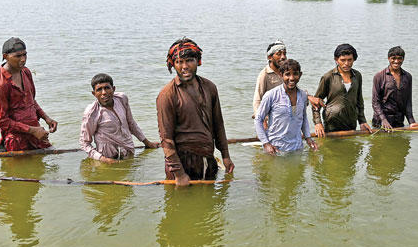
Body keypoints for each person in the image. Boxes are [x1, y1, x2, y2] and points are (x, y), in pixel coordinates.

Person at [156, 38, 234, 187]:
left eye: (189, 61)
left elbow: (218, 124)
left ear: (198, 61)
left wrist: (225, 156)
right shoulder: (167, 95)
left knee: (209, 200)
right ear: (173, 64)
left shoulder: (210, 87)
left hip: (207, 159)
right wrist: (179, 173)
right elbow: (166, 139)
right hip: (181, 163)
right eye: (179, 62)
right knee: (179, 201)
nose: (184, 66)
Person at [0, 37, 57, 151]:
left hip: (36, 132)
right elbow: (2, 121)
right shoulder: (0, 85)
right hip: (16, 139)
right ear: (5, 56)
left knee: (51, 157)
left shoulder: (25, 72)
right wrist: (32, 130)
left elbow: (31, 100)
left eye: (25, 55)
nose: (23, 59)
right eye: (18, 56)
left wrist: (46, 118)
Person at [79, 73, 159, 163]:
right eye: (99, 89)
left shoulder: (122, 99)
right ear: (94, 94)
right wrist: (103, 159)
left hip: (128, 151)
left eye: (107, 88)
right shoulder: (91, 113)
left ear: (113, 89)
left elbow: (131, 123)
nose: (104, 92)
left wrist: (148, 143)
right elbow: (84, 143)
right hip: (108, 157)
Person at [254, 59, 318, 155]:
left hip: (297, 147)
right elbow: (258, 119)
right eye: (287, 74)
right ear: (281, 75)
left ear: (300, 75)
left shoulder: (303, 96)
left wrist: (308, 138)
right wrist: (266, 143)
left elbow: (303, 118)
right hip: (275, 149)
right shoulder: (271, 95)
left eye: (295, 74)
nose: (291, 78)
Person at [312, 43, 371, 137]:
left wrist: (362, 121)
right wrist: (318, 123)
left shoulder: (357, 76)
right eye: (343, 60)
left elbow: (359, 100)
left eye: (349, 60)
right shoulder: (328, 77)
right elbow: (316, 101)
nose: (346, 63)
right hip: (331, 123)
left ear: (354, 59)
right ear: (336, 60)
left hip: (351, 122)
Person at [371, 46, 418, 130]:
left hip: (399, 121)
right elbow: (375, 102)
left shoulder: (408, 77)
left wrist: (412, 122)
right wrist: (383, 120)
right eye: (393, 58)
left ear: (403, 59)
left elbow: (408, 101)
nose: (396, 61)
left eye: (399, 58)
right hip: (380, 122)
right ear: (389, 58)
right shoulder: (379, 76)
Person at [252, 40, 287, 118]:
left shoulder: (286, 72)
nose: (283, 57)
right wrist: (260, 119)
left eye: (284, 54)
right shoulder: (264, 74)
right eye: (279, 54)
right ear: (270, 57)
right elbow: (257, 100)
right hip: (271, 119)